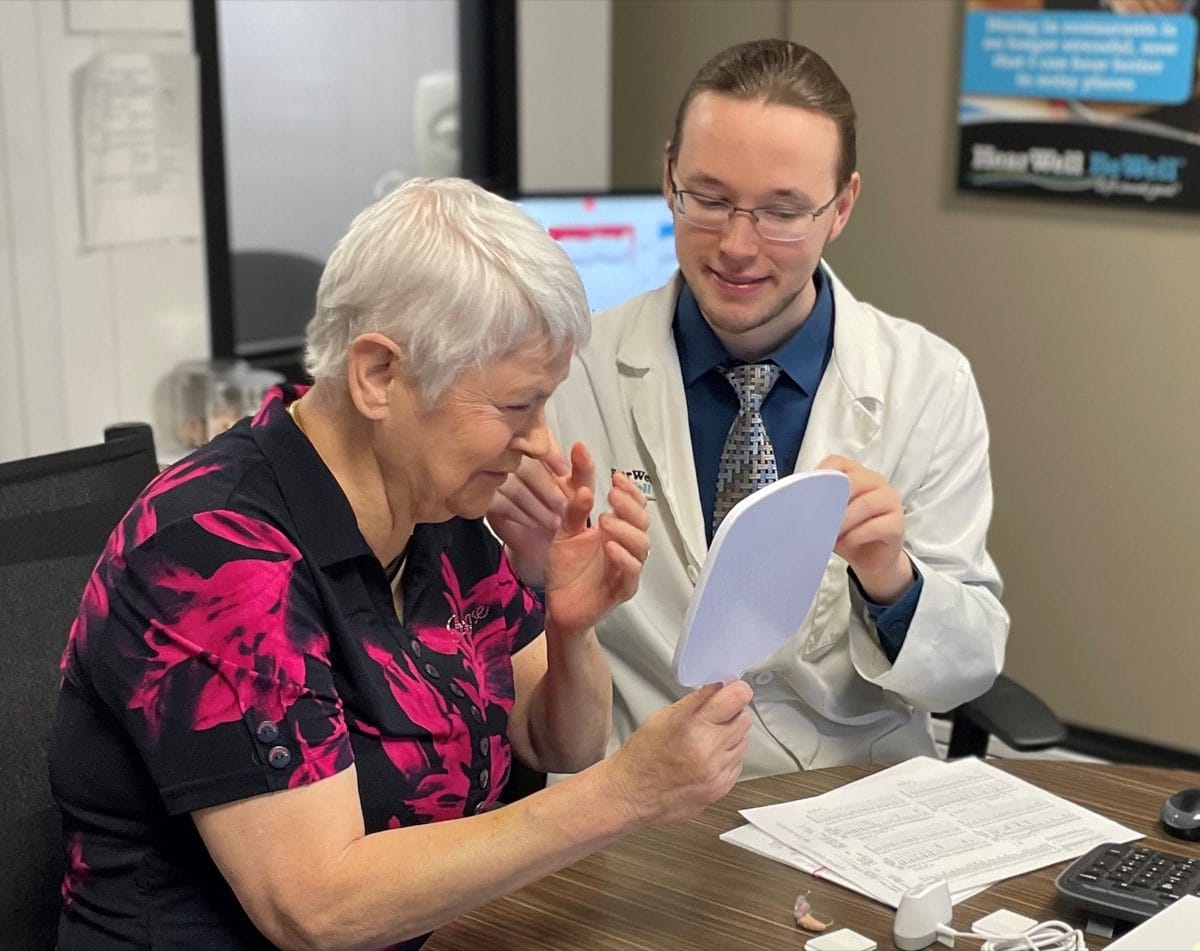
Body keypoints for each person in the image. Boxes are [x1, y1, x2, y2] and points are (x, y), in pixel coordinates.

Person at [48, 177, 754, 950]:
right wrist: (627, 793)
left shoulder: (432, 506)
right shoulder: (216, 551)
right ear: (379, 376)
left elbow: (560, 742)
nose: (545, 446)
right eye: (517, 406)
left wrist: (569, 625)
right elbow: (317, 905)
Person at [490, 39, 1008, 779]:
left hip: (854, 798)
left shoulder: (928, 383)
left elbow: (969, 668)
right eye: (707, 197)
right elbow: (497, 646)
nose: (736, 244)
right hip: (639, 809)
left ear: (843, 207)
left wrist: (892, 579)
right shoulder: (570, 373)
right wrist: (523, 560)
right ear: (669, 176)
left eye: (782, 211)